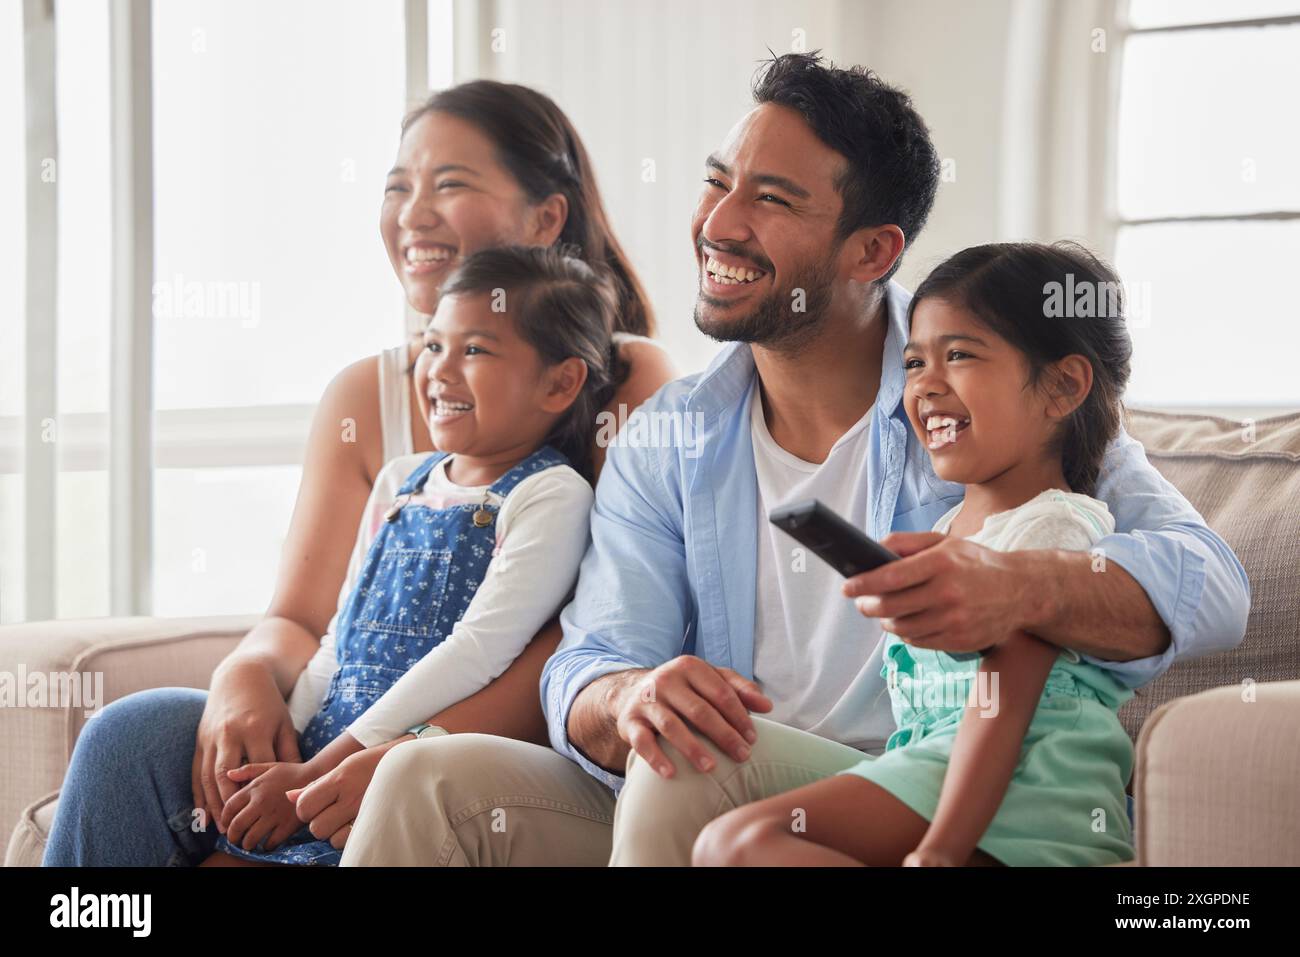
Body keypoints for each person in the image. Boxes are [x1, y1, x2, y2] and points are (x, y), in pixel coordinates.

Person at [339, 52, 1248, 868]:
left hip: (897, 792)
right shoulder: (667, 437)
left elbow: (1212, 581)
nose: (719, 223)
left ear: (873, 250)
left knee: (693, 768)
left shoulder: (984, 407)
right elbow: (594, 659)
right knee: (428, 778)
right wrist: (628, 697)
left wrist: (1023, 588)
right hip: (707, 793)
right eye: (717, 182)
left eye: (771, 200)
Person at [42, 80, 675, 866]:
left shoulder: (624, 377)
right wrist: (246, 673)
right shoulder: (365, 396)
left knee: (406, 787)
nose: (413, 214)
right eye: (397, 188)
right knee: (133, 735)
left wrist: (379, 751)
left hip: (492, 741)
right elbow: (307, 618)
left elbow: (578, 637)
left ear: (547, 217)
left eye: (449, 184)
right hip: (344, 722)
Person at [694, 241, 1140, 866]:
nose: (926, 386)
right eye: (912, 363)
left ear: (1062, 387)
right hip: (944, 773)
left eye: (958, 355)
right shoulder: (955, 529)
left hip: (1029, 799)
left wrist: (940, 851)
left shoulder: (1053, 531)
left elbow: (1000, 706)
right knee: (734, 843)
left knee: (739, 845)